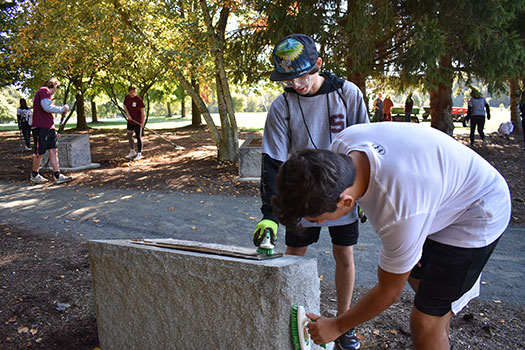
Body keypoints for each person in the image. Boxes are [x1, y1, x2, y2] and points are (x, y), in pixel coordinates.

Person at [272, 122, 511, 350]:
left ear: (345, 201)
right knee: (421, 283)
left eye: (318, 219)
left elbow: (389, 290)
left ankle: (436, 330)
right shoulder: (343, 146)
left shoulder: (399, 213)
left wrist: (337, 325)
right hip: (437, 193)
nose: (320, 224)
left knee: (426, 320)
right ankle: (440, 335)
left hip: (477, 209)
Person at [252, 33, 369, 350]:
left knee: (343, 255)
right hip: (302, 196)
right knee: (294, 255)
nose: (297, 84)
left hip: (342, 196)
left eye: (302, 76)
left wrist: (361, 197)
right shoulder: (283, 105)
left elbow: (366, 147)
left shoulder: (348, 94)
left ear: (318, 64)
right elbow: (272, 161)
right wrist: (270, 216)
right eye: (289, 79)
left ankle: (343, 324)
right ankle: (292, 316)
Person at [29, 78, 72, 184]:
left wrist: (53, 130)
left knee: (53, 151)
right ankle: (34, 174)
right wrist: (62, 109)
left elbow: (48, 110)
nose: (54, 93)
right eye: (56, 90)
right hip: (40, 127)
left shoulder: (46, 93)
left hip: (49, 127)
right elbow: (47, 107)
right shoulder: (44, 91)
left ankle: (57, 175)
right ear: (54, 86)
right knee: (40, 152)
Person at [123, 85, 145, 161]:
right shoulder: (127, 98)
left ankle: (139, 153)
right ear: (129, 92)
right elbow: (125, 107)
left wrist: (142, 122)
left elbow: (143, 112)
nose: (134, 94)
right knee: (129, 135)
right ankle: (132, 151)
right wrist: (128, 115)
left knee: (138, 137)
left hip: (138, 121)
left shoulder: (138, 99)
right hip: (130, 121)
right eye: (132, 93)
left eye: (135, 92)